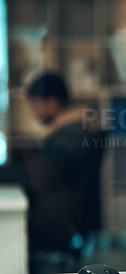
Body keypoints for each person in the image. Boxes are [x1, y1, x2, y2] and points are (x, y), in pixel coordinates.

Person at [24, 72, 103, 259]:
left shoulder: (71, 136)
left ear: (52, 103)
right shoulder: (72, 130)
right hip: (66, 222)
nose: (33, 112)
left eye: (35, 105)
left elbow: (37, 177)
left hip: (60, 227)